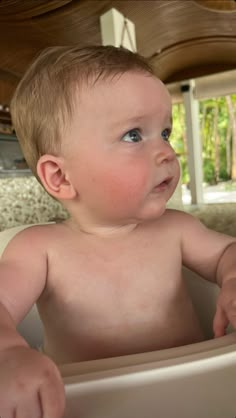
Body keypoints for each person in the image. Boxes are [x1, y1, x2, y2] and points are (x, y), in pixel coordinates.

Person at [1, 44, 236, 417]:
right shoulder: (39, 249)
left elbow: (227, 252)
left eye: (165, 132)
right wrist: (9, 352)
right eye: (133, 135)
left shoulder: (176, 229)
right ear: (60, 176)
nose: (166, 153)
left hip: (193, 393)